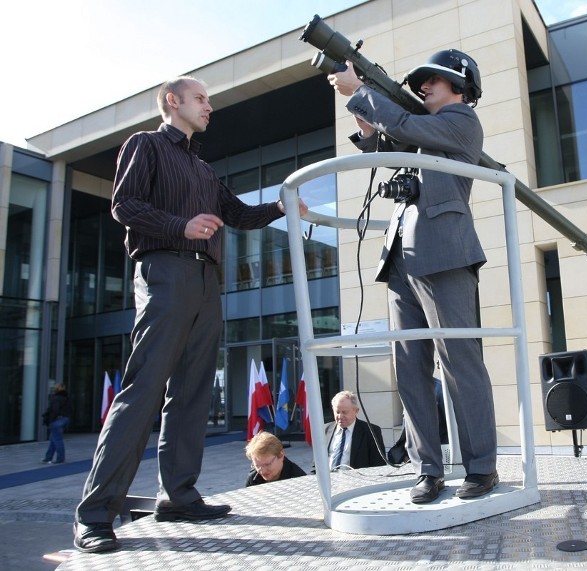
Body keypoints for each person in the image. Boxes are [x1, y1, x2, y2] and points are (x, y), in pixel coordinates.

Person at [73, 76, 308, 554]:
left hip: (206, 282)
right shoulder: (146, 145)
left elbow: (237, 215)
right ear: (172, 101)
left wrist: (281, 207)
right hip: (165, 272)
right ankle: (94, 514)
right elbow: (124, 205)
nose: (209, 107)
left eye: (209, 100)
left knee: (193, 393)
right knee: (142, 392)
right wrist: (181, 225)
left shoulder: (203, 169)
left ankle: (177, 496)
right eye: (201, 98)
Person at [327, 50, 499, 504]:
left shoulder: (461, 122)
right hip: (402, 254)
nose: (423, 88)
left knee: (460, 364)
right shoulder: (428, 130)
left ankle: (482, 467)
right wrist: (367, 126)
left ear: (460, 88)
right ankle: (428, 468)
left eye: (433, 83)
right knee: (410, 370)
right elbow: (391, 147)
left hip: (444, 253)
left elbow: (405, 127)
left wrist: (362, 93)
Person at [324, 390, 386, 470]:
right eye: (337, 412)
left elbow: (378, 465)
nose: (340, 416)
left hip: (355, 480)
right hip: (328, 480)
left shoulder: (371, 432)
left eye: (344, 412)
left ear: (356, 411)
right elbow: (316, 463)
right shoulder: (325, 430)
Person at [42, 383, 72, 464]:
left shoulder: (56, 398)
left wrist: (50, 420)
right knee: (53, 439)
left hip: (57, 420)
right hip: (65, 418)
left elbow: (55, 410)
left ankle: (60, 458)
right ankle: (48, 457)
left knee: (57, 439)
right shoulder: (66, 398)